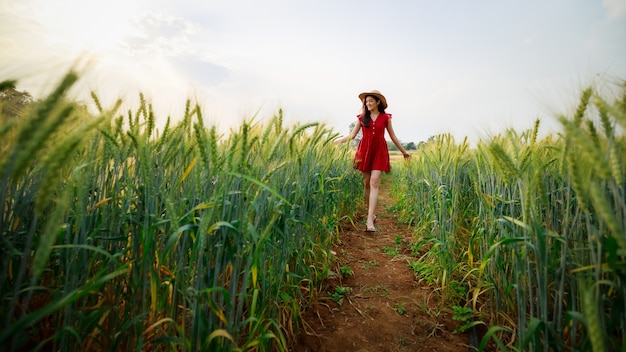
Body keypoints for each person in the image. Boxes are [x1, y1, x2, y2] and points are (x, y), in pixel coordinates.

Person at [335, 90, 411, 232]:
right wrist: (335, 142)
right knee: (366, 184)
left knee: (374, 181)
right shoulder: (362, 118)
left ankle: (369, 220)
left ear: (378, 102)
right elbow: (352, 135)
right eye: (366, 101)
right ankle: (372, 213)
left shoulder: (386, 118)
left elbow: (393, 136)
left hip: (379, 151)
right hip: (364, 151)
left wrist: (404, 152)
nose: (368, 103)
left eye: (371, 101)